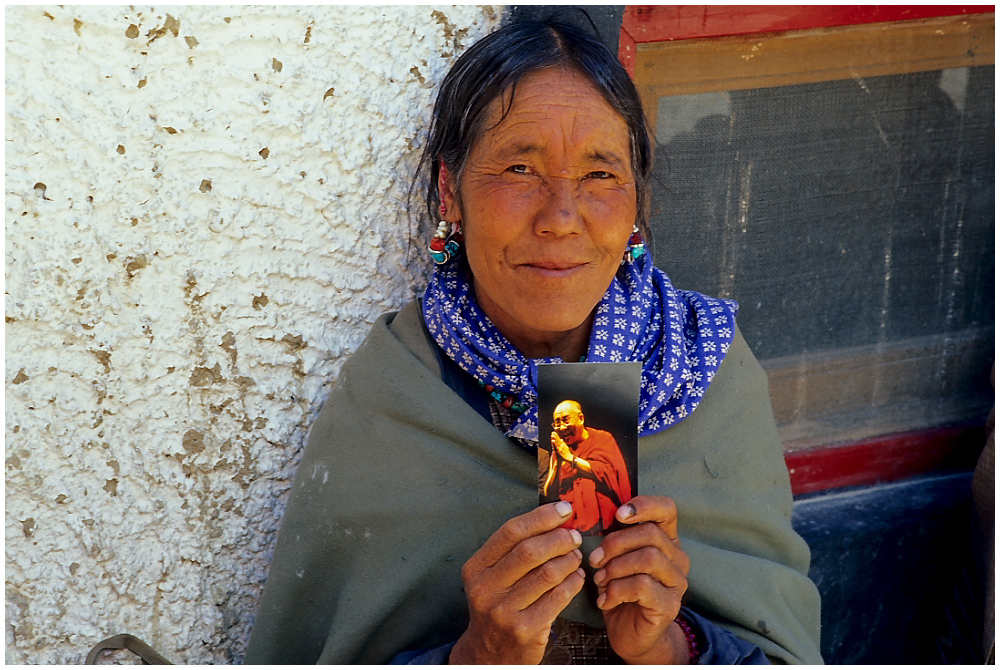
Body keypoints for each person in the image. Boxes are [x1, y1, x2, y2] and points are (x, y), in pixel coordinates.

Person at [245, 19, 822, 665]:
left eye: (601, 175)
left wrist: (669, 645)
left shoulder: (700, 363)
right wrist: (477, 655)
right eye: (520, 168)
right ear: (450, 192)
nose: (560, 218)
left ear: (639, 202)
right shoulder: (398, 392)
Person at [543, 400, 632, 535]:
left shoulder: (602, 438)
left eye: (566, 420)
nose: (561, 427)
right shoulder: (560, 450)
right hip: (571, 525)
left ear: (581, 418)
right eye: (557, 423)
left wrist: (571, 458)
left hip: (604, 523)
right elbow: (548, 493)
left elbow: (611, 475)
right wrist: (557, 462)